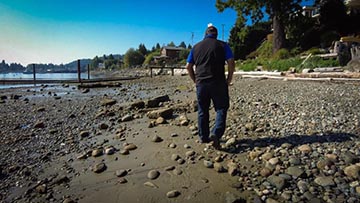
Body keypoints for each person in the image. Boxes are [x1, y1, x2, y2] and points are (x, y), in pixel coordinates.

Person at [185, 24, 235, 149]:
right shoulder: (223, 45)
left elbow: (188, 66)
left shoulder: (195, 47)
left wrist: (195, 80)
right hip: (218, 82)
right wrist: (229, 78)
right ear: (216, 34)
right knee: (221, 108)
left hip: (201, 83)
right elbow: (231, 61)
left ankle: (203, 137)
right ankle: (216, 133)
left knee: (203, 110)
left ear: (205, 34)